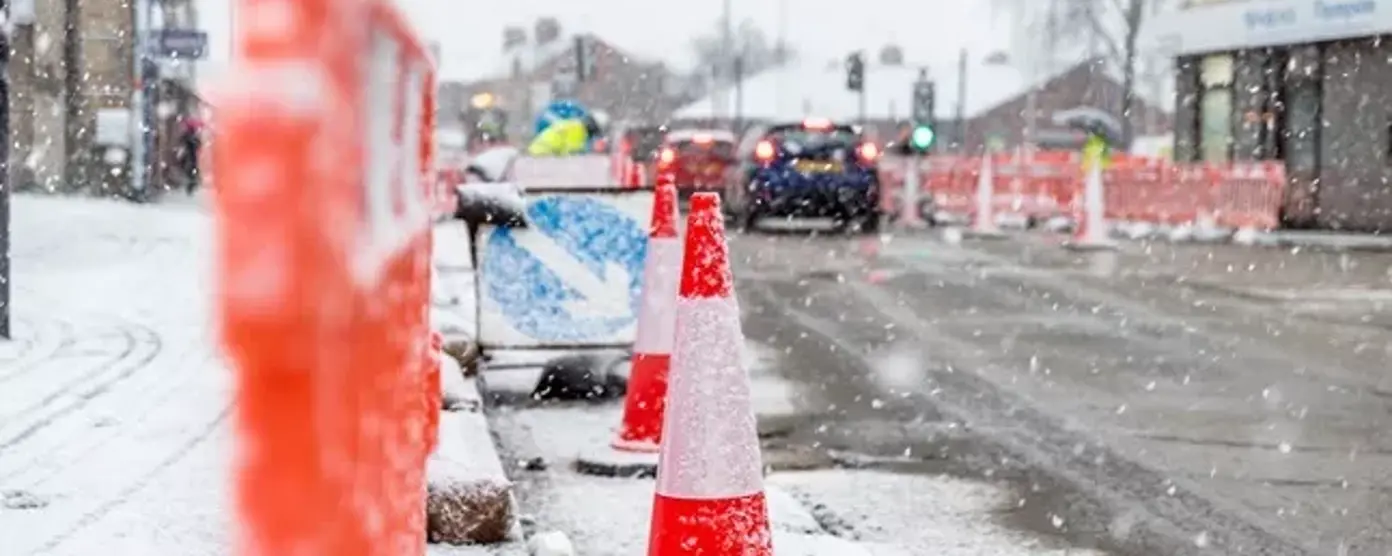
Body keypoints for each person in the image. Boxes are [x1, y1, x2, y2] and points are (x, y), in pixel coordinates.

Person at [525, 111, 608, 156]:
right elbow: (571, 155)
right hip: (543, 155)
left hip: (537, 153)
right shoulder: (578, 130)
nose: (593, 136)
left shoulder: (574, 124)